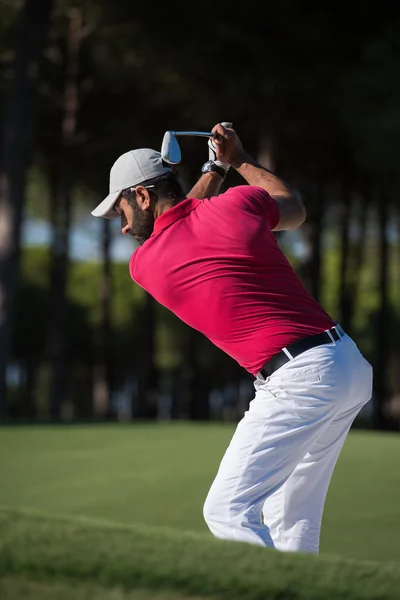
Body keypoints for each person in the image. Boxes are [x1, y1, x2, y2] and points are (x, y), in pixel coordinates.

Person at [91, 123, 372, 554]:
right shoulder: (240, 204)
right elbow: (292, 209)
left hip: (299, 380)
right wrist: (235, 161)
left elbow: (183, 217)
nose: (124, 227)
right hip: (346, 364)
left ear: (142, 196)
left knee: (227, 509)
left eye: (121, 211)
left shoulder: (146, 264)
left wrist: (216, 168)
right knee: (289, 515)